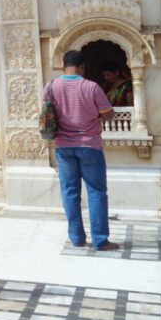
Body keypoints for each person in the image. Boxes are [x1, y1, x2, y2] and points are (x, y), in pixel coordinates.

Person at [48, 50, 119, 251]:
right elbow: (108, 115)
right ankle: (100, 239)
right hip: (89, 146)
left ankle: (77, 238)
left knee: (70, 192)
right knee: (96, 192)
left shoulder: (52, 86)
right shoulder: (91, 87)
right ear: (82, 67)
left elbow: (46, 112)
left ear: (64, 66)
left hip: (63, 146)